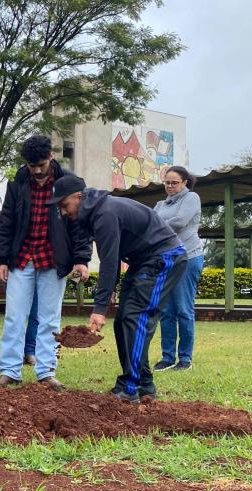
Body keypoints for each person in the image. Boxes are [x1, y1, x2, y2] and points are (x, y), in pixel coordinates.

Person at [51, 174, 185, 403]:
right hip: (143, 260)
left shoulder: (105, 213)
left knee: (136, 318)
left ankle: (130, 388)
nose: (64, 212)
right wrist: (107, 295)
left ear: (79, 196)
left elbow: (110, 262)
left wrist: (100, 309)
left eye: (65, 205)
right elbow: (109, 258)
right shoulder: (95, 213)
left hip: (164, 258)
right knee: (124, 319)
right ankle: (143, 384)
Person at [0, 135, 91, 391]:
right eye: (31, 166)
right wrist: (1, 259)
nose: (36, 171)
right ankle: (10, 371)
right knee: (15, 316)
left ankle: (46, 372)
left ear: (51, 157)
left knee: (49, 319)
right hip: (22, 258)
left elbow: (80, 224)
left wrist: (81, 259)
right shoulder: (18, 182)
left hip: (53, 259)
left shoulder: (69, 182)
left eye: (41, 165)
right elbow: (7, 222)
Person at [153, 166, 202, 372]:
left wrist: (157, 224)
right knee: (166, 311)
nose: (170, 186)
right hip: (166, 260)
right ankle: (167, 357)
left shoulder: (191, 198)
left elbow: (180, 222)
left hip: (188, 258)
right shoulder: (160, 204)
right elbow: (149, 222)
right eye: (167, 182)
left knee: (183, 309)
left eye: (174, 182)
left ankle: (185, 359)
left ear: (184, 183)